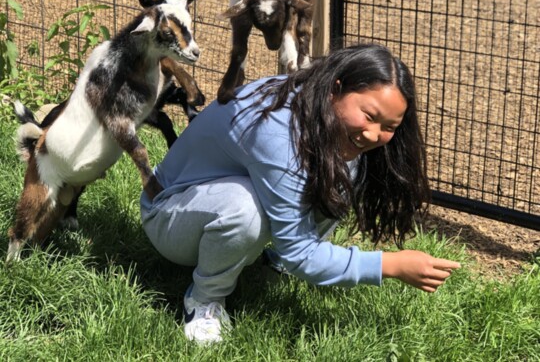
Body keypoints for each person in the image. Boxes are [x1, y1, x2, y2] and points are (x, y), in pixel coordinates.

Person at [140, 43, 461, 344]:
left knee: (344, 166)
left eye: (389, 126)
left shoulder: (315, 104)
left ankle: (272, 265)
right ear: (336, 88)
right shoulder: (277, 131)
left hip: (211, 198)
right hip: (169, 215)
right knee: (245, 208)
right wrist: (389, 265)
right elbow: (301, 252)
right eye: (369, 115)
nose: (375, 134)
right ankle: (205, 298)